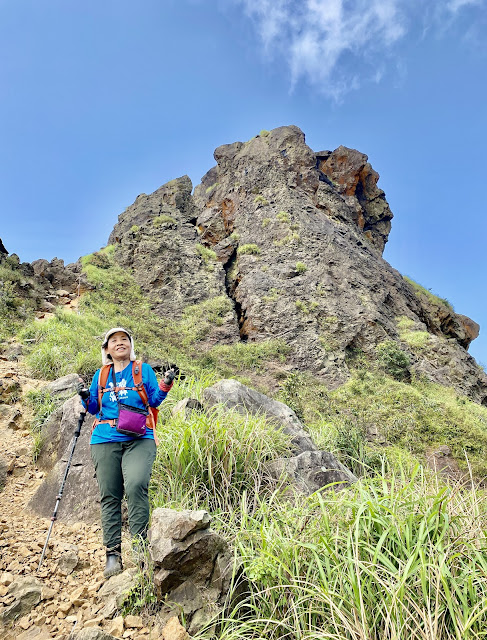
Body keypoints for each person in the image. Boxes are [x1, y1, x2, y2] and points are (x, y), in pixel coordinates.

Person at [77, 327, 175, 578]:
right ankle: (113, 555)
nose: (119, 343)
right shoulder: (101, 374)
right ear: (107, 349)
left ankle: (141, 549)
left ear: (131, 346)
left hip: (140, 437)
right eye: (114, 341)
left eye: (124, 340)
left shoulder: (142, 370)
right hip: (104, 439)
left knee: (136, 485)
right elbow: (94, 408)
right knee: (110, 495)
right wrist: (85, 397)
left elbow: (153, 401)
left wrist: (166, 383)